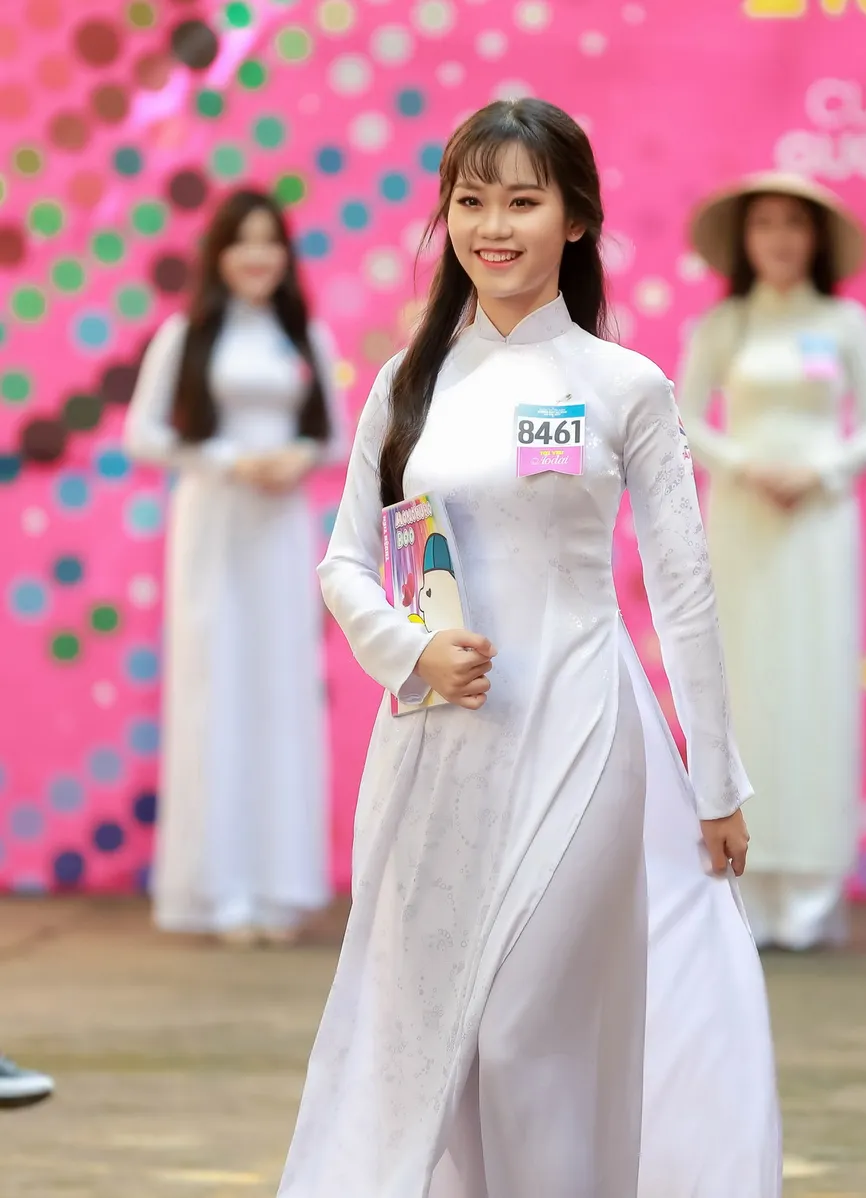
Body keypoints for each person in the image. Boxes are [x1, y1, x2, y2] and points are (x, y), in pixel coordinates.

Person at [277, 99, 781, 1198]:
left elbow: (684, 591)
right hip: (435, 753)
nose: (492, 227)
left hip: (581, 731)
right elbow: (346, 563)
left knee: (522, 1039)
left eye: (521, 201)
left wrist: (715, 780)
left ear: (577, 218)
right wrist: (411, 650)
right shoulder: (408, 382)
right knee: (446, 1055)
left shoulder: (624, 385)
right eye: (471, 202)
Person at [676, 172, 866, 953]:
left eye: (793, 224)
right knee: (743, 683)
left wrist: (820, 470)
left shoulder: (844, 323)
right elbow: (681, 415)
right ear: (744, 239)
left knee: (815, 685)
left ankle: (811, 891)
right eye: (764, 223)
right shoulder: (725, 324)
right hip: (741, 519)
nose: (778, 238)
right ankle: (746, 881)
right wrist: (744, 465)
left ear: (817, 239)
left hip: (818, 525)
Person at [124, 189, 346, 947]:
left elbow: (338, 436)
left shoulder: (304, 335)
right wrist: (228, 460)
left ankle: (281, 890)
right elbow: (143, 433)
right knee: (214, 689)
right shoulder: (186, 334)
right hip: (214, 525)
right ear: (218, 254)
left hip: (280, 529)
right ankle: (218, 891)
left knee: (280, 689)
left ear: (286, 255)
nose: (257, 255)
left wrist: (299, 458)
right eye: (242, 241)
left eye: (269, 240)